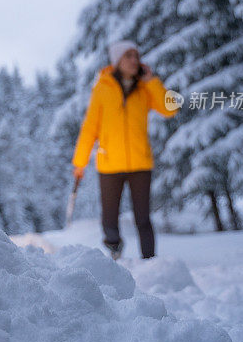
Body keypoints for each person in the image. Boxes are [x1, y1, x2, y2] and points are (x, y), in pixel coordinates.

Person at [71, 40, 180, 260]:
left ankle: (150, 260)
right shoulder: (102, 88)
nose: (133, 60)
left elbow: (171, 109)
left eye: (135, 56)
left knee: (143, 217)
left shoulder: (144, 88)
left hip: (140, 163)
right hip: (110, 163)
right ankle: (114, 251)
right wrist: (80, 162)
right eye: (128, 56)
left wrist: (152, 81)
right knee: (109, 218)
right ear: (117, 61)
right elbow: (90, 127)